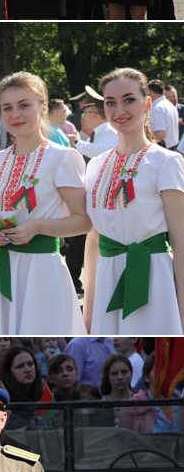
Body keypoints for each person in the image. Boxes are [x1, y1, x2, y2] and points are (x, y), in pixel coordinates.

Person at [0, 72, 87, 336]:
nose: (15, 114)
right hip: (6, 269)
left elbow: (84, 220)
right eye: (7, 108)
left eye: (24, 105)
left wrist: (37, 227)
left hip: (42, 269)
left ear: (42, 107)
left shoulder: (62, 157)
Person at [83, 66, 184, 334]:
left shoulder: (167, 161)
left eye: (129, 100)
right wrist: (88, 309)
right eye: (110, 103)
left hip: (153, 275)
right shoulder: (95, 165)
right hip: (107, 277)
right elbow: (93, 239)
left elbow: (180, 240)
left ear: (147, 103)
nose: (119, 111)